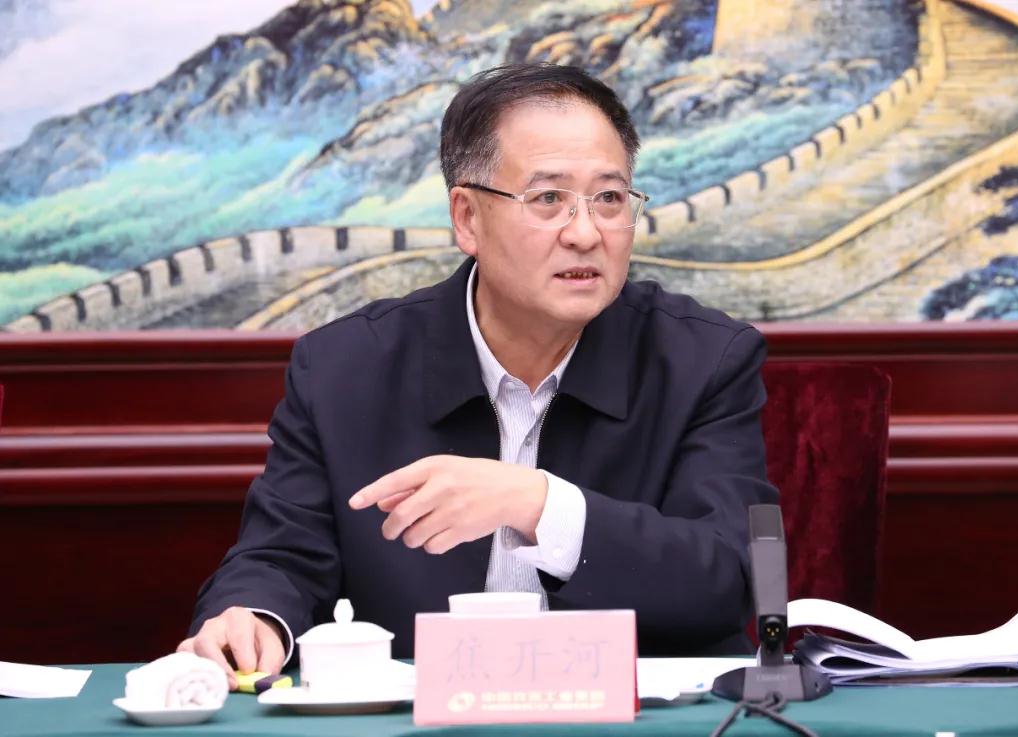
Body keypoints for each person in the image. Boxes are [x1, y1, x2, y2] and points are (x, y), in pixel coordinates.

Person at [180, 63, 779, 688]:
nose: (585, 233)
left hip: (635, 720)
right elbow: (280, 555)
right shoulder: (344, 367)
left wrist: (538, 504)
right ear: (467, 218)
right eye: (548, 199)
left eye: (609, 198)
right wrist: (253, 616)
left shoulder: (702, 360)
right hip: (415, 722)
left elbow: (729, 578)